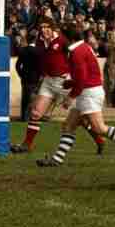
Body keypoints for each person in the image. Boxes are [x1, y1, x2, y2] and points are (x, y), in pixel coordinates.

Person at [37, 24, 115, 168]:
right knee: (68, 125)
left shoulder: (77, 52)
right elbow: (82, 76)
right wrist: (71, 83)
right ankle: (56, 160)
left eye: (64, 36)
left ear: (69, 38)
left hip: (89, 93)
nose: (62, 39)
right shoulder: (82, 47)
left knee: (99, 128)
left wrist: (71, 96)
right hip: (87, 91)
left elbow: (82, 78)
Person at [11, 18, 105, 155]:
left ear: (53, 28)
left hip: (63, 82)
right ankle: (27, 145)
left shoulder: (62, 40)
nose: (43, 30)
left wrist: (72, 78)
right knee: (35, 113)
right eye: (41, 27)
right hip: (48, 81)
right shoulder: (40, 41)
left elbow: (76, 53)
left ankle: (99, 140)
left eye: (46, 27)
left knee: (82, 119)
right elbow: (43, 59)